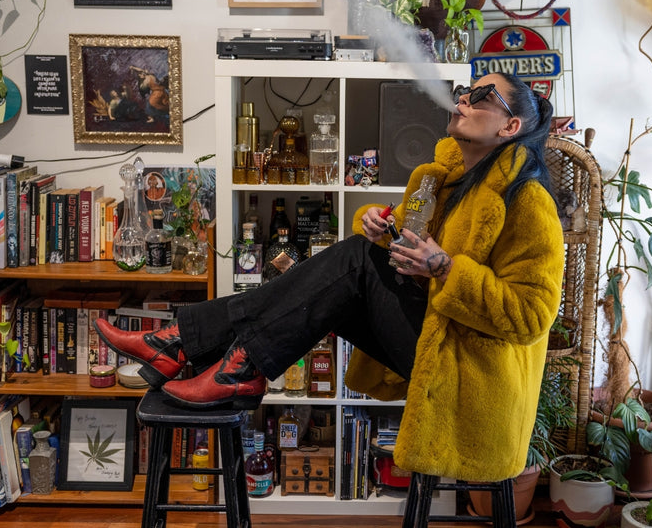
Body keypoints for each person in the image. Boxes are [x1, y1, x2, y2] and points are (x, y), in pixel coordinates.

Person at [95, 72, 565, 482]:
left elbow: (531, 317)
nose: (463, 99)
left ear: (511, 127)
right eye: (465, 91)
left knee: (353, 263)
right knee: (344, 271)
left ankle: (189, 344)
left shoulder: (528, 202)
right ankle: (211, 354)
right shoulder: (438, 181)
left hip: (471, 373)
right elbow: (405, 252)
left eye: (482, 97)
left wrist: (442, 267)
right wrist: (383, 230)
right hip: (436, 341)